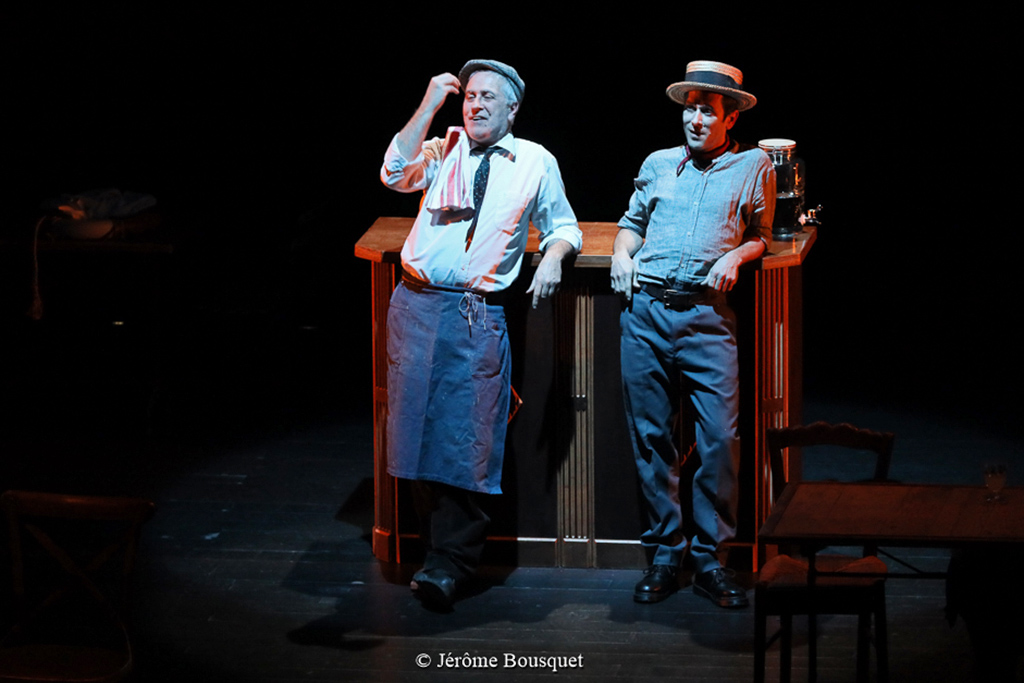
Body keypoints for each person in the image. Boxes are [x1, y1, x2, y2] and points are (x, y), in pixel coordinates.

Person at [379, 59, 582, 610]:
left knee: (468, 439)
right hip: (417, 306)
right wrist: (428, 104)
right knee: (416, 435)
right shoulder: (442, 147)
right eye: (469, 95)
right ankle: (433, 554)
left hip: (475, 314)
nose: (476, 105)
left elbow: (565, 226)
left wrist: (553, 258)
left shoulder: (534, 161)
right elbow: (394, 175)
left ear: (512, 108)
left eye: (489, 97)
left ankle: (452, 563)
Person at [610, 60, 775, 608]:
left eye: (708, 110)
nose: (696, 119)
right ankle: (664, 554)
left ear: (730, 118)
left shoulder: (754, 166)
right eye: (690, 109)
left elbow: (762, 235)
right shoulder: (658, 163)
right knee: (651, 437)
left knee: (718, 441)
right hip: (646, 313)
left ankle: (710, 559)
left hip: (706, 317)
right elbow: (632, 223)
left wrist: (737, 253)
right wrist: (619, 254)